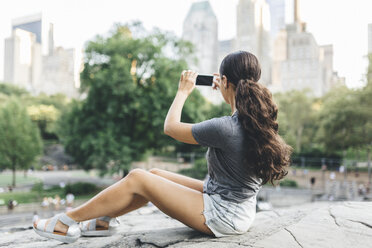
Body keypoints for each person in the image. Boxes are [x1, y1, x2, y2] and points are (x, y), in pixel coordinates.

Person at [33, 51, 292, 243]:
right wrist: (227, 90)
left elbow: (171, 127)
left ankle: (65, 222)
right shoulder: (257, 120)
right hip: (237, 208)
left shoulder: (225, 127)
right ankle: (102, 221)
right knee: (153, 175)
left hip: (223, 214)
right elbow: (236, 119)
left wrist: (183, 91)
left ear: (224, 81)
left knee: (137, 177)